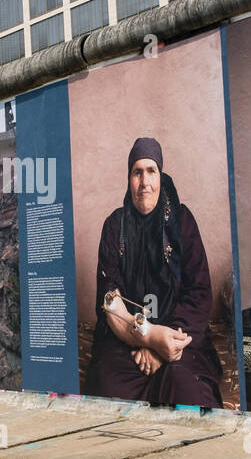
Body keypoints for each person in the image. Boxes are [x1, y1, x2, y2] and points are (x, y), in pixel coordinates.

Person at [84, 137, 223, 407]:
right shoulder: (115, 226)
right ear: (129, 179)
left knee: (186, 388)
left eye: (151, 171)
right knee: (108, 386)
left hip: (178, 337)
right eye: (137, 172)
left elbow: (198, 294)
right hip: (126, 342)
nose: (144, 181)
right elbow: (110, 301)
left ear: (161, 175)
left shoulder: (181, 221)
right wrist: (149, 337)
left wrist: (165, 345)